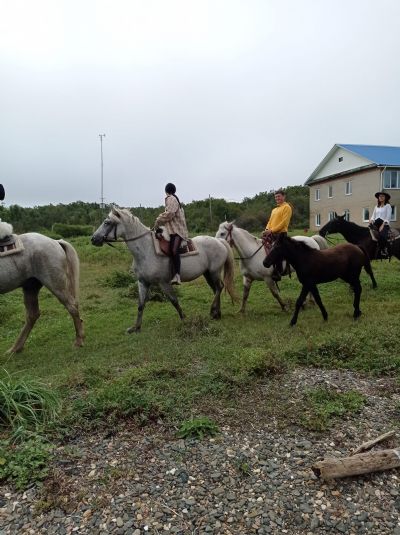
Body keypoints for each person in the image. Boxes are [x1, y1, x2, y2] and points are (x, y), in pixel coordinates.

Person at [154, 182, 189, 284]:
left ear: (166, 191)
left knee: (174, 250)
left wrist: (158, 219)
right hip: (172, 230)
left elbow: (170, 214)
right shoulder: (174, 199)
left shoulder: (171, 198)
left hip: (177, 231)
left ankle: (177, 275)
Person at [262, 189, 293, 281]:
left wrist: (271, 230)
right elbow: (270, 221)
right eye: (276, 197)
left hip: (281, 234)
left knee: (277, 251)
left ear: (284, 196)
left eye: (279, 196)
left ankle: (278, 272)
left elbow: (284, 223)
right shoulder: (274, 210)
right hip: (271, 233)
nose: (277, 198)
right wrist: (266, 230)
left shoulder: (287, 207)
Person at [369, 191, 392, 257]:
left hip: (384, 223)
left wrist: (383, 225)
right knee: (368, 232)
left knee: (382, 235)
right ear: (378, 198)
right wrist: (371, 220)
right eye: (380, 196)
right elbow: (373, 216)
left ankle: (384, 250)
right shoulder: (376, 206)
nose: (381, 197)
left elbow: (388, 216)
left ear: (385, 198)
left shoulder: (388, 206)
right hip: (376, 223)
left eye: (382, 196)